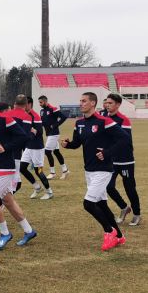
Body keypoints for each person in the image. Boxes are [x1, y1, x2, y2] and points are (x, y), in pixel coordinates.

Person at [61, 92, 128, 251]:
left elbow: (124, 139)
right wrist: (68, 144)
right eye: (80, 100)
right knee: (102, 204)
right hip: (89, 170)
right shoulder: (79, 123)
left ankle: (109, 231)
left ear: (93, 103)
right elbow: (78, 143)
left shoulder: (104, 121)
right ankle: (119, 236)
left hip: (103, 170)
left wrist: (107, 152)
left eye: (84, 101)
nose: (81, 103)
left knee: (88, 204)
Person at [0, 94, 37, 250]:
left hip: (5, 166)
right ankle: (29, 231)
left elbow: (23, 137)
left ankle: (5, 233)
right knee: (8, 201)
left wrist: (6, 147)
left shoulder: (5, 119)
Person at [105, 94, 141, 226]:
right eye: (106, 102)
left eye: (110, 103)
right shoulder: (104, 118)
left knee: (130, 189)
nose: (107, 105)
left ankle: (137, 214)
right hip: (111, 160)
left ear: (118, 105)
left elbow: (125, 141)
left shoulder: (123, 120)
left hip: (125, 160)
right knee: (108, 187)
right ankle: (124, 207)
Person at [20, 97, 53, 199]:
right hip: (28, 147)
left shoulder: (35, 116)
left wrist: (31, 130)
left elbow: (40, 132)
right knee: (22, 168)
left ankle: (49, 192)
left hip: (37, 148)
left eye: (24, 104)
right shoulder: (24, 115)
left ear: (29, 104)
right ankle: (37, 187)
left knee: (38, 171)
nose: (22, 107)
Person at [38, 95, 70, 180]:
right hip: (49, 134)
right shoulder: (41, 111)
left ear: (45, 101)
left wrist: (55, 125)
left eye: (41, 102)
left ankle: (52, 173)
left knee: (47, 152)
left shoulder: (53, 108)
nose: (40, 104)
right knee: (56, 152)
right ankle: (65, 170)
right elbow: (43, 122)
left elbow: (63, 117)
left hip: (54, 133)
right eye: (39, 102)